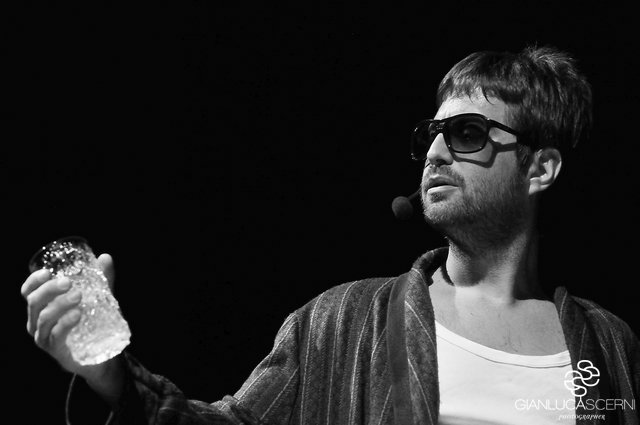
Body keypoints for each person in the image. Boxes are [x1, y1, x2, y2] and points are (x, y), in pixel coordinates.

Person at [22, 45, 640, 424]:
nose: (434, 154)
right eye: (430, 135)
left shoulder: (611, 346)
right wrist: (110, 376)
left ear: (540, 168)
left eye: (467, 134)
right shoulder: (339, 321)